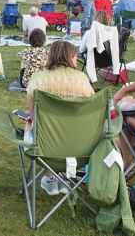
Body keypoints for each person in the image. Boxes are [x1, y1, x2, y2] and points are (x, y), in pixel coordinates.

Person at [25, 40, 94, 195]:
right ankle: (64, 176)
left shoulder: (37, 79)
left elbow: (34, 117)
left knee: (35, 125)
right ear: (71, 57)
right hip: (81, 144)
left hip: (45, 146)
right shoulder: (82, 80)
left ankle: (50, 179)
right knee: (62, 127)